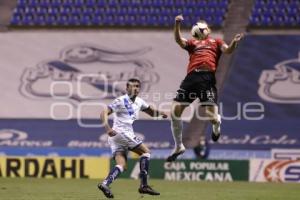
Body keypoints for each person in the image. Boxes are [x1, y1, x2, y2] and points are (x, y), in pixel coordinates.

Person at [166, 15, 243, 162]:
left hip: (207, 78)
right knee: (175, 112)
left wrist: (234, 42)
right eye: (199, 25)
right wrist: (177, 24)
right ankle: (178, 146)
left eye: (203, 25)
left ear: (208, 29)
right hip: (191, 78)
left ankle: (217, 124)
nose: (201, 26)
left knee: (212, 116)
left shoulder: (216, 41)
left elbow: (228, 51)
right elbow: (178, 40)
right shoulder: (193, 43)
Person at [98, 78, 167, 198]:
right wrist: (107, 128)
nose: (136, 88)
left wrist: (162, 113)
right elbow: (103, 112)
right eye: (133, 86)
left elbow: (151, 112)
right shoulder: (120, 100)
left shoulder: (139, 101)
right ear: (127, 88)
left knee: (122, 165)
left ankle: (105, 183)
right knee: (146, 153)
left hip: (117, 137)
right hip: (122, 133)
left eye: (138, 86)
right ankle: (144, 185)